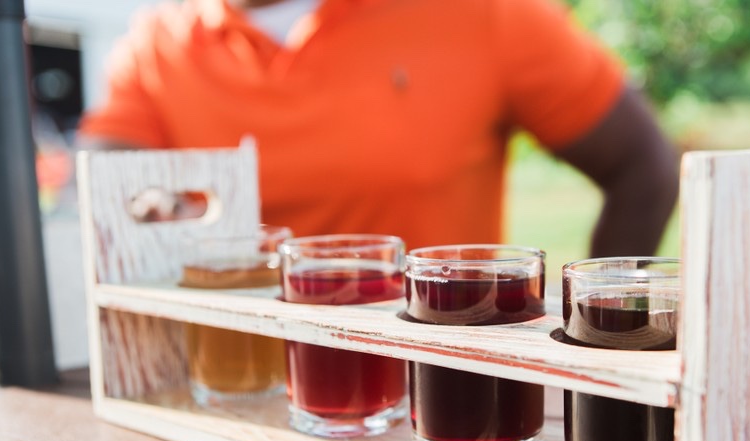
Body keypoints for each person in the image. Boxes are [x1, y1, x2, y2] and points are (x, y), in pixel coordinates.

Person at [77, 0, 679, 256]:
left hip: (442, 402)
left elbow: (643, 170)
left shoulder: (481, 15)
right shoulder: (155, 47)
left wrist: (597, 339)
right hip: (236, 394)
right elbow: (106, 168)